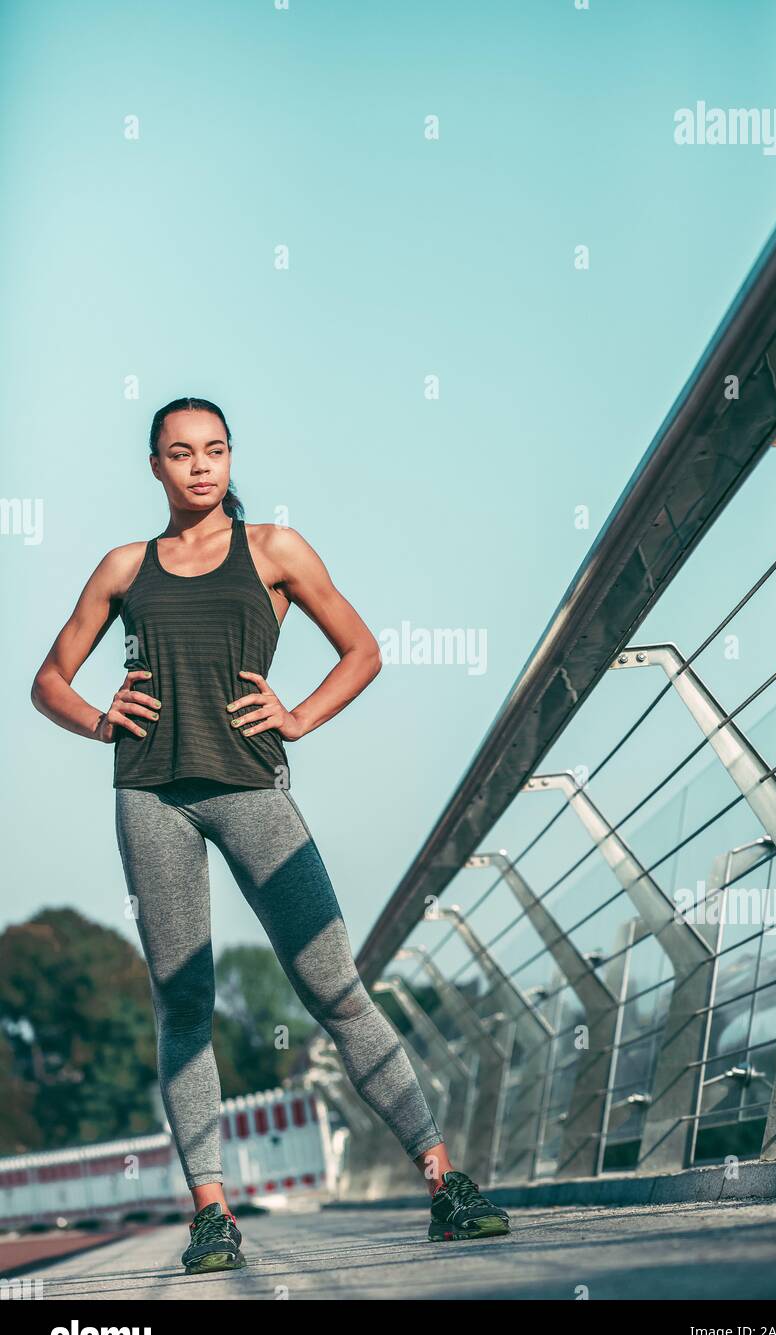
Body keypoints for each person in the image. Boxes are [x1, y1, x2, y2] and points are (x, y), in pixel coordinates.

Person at [30, 396, 510, 1273]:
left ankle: (444, 1182)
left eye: (214, 450)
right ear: (156, 467)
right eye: (180, 453)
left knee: (333, 986)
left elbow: (361, 648)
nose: (200, 466)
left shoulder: (275, 550)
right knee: (184, 1001)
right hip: (151, 800)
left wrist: (300, 717)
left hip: (254, 789)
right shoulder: (123, 567)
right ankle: (212, 1212)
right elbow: (47, 680)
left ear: (229, 457)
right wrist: (103, 720)